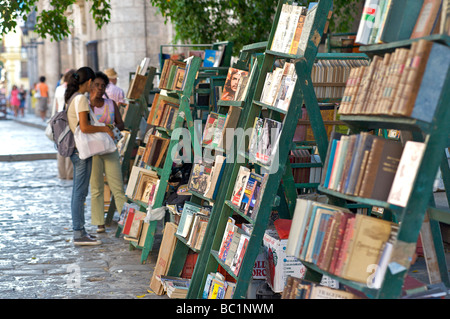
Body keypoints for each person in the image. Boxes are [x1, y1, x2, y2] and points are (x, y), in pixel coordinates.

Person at [66, 66, 114, 246]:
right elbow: (85, 127)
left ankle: (81, 231)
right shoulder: (81, 99)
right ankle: (79, 233)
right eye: (93, 83)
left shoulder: (72, 98)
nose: (94, 86)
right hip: (80, 151)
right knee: (80, 193)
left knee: (79, 192)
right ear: (88, 82)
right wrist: (104, 128)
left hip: (76, 150)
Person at [89, 71, 126, 233]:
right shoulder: (86, 105)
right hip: (93, 150)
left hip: (110, 149)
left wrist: (110, 129)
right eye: (96, 85)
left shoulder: (110, 104)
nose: (99, 88)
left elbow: (121, 124)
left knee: (117, 186)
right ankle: (99, 223)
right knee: (96, 187)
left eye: (102, 85)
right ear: (91, 85)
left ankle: (125, 220)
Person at [52, 69, 76, 180]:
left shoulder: (58, 89)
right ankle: (69, 174)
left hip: (59, 122)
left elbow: (56, 106)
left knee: (61, 146)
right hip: (69, 121)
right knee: (70, 146)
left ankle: (61, 174)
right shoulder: (72, 90)